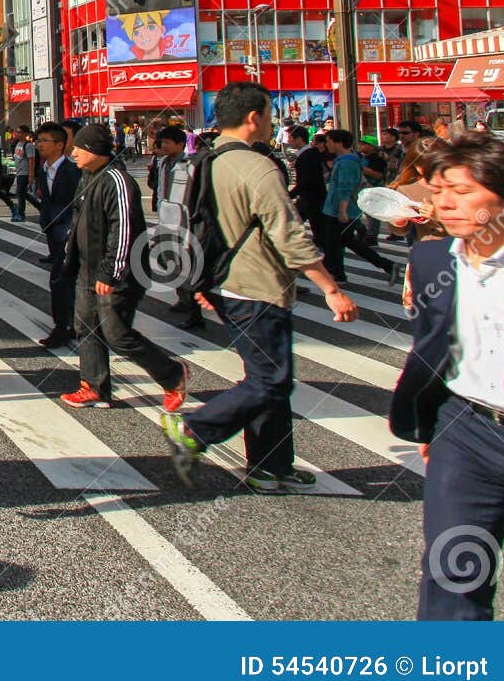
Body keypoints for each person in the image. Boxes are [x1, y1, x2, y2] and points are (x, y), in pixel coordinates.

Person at [162, 82, 357, 493]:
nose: (272, 125)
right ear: (254, 118)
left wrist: (204, 280)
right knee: (271, 380)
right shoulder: (257, 166)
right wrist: (330, 287)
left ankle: (271, 465)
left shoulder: (207, 160)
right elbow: (287, 233)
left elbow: (197, 224)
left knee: (266, 379)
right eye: (269, 115)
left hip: (229, 281)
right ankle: (194, 429)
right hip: (258, 284)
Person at [388, 133, 504, 619]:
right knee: (453, 573)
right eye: (439, 190)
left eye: (461, 191)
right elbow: (433, 343)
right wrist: (432, 419)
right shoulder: (431, 259)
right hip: (466, 428)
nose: (445, 203)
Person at [57, 124, 188, 411]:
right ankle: (94, 387)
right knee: (86, 327)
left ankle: (171, 374)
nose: (74, 152)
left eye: (80, 147)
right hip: (87, 270)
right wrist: (70, 256)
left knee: (117, 333)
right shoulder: (86, 177)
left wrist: (111, 272)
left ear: (94, 150)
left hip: (119, 274)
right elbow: (77, 221)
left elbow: (124, 230)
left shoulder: (117, 180)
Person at [320, 129, 395, 282]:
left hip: (340, 209)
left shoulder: (347, 162)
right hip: (341, 208)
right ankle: (337, 273)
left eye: (329, 141)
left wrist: (342, 210)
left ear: (339, 143)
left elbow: (345, 187)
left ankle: (386, 264)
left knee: (334, 242)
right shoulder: (347, 159)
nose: (327, 145)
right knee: (342, 241)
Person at [152, 125, 205, 330]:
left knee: (189, 265)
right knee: (170, 260)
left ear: (181, 144)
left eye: (167, 142)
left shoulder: (190, 164)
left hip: (186, 221)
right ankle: (183, 298)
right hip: (166, 218)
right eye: (162, 142)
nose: (163, 145)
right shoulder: (163, 163)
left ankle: (195, 311)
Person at [34, 122, 80, 348]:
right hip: (54, 232)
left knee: (59, 280)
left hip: (71, 234)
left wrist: (73, 230)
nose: (39, 144)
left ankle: (63, 327)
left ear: (60, 145)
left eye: (44, 141)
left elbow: (79, 204)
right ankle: (70, 325)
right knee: (65, 281)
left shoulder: (72, 171)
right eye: (38, 140)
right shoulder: (44, 169)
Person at [10, 125, 38, 222]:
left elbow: (31, 160)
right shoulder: (18, 143)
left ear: (26, 134)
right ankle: (39, 206)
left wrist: (31, 175)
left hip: (25, 173)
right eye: (17, 132)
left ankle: (21, 214)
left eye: (20, 132)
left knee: (20, 193)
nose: (17, 134)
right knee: (22, 193)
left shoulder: (28, 145)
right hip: (19, 173)